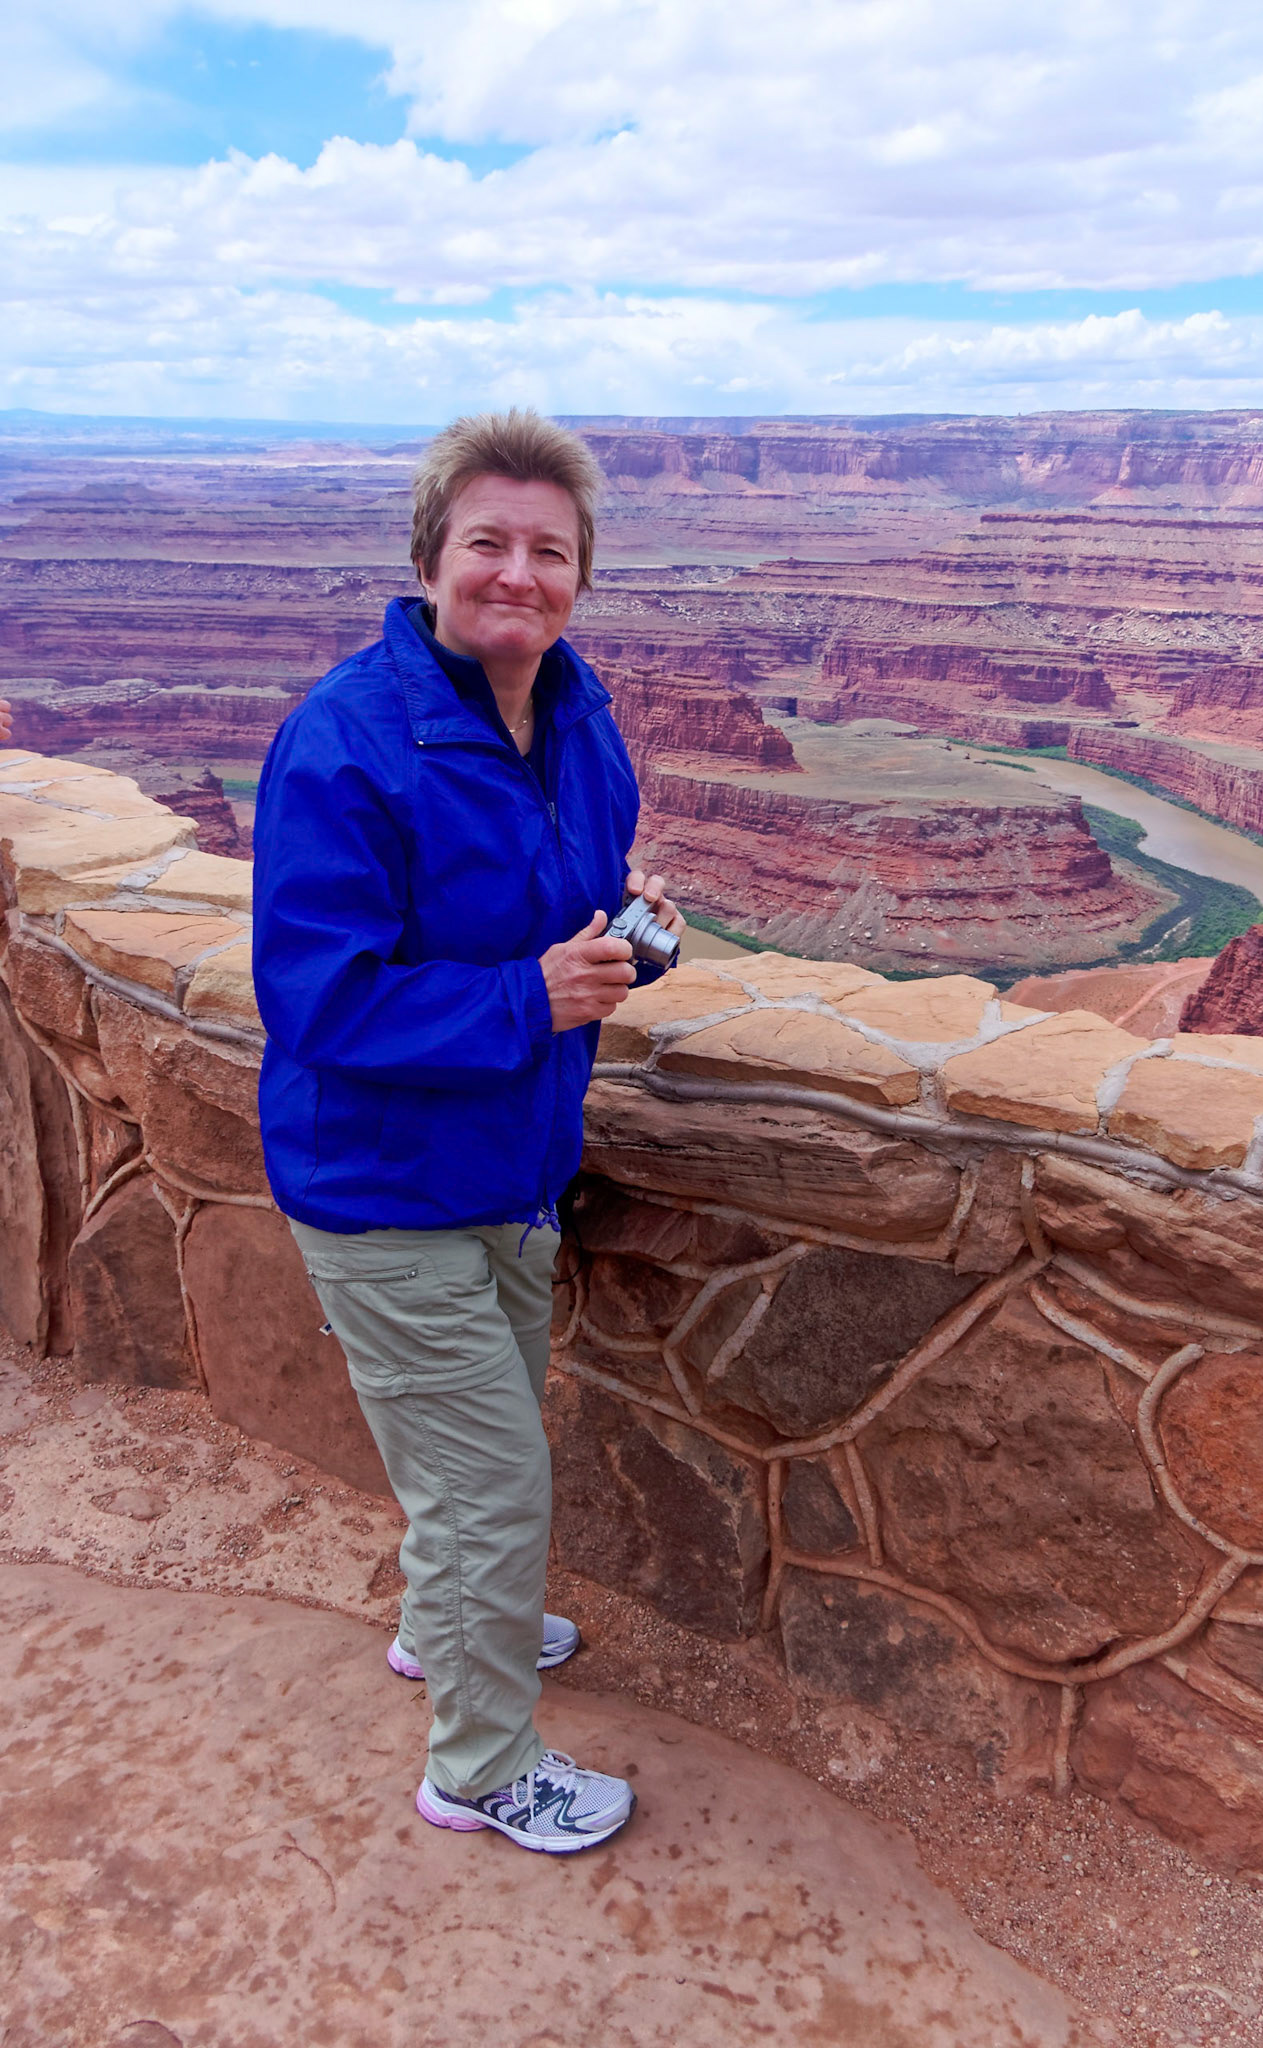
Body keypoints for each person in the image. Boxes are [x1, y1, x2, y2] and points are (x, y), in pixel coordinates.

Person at [251, 410, 683, 1855]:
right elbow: (319, 997)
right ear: (429, 555)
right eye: (487, 543)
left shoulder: (576, 715)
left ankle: (448, 1630)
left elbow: (570, 919)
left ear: (581, 574)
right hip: (382, 1188)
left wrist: (630, 946)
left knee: (468, 1458)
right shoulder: (349, 741)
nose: (518, 574)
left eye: (548, 550)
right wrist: (529, 996)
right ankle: (482, 1770)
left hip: (511, 1166)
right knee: (497, 1477)